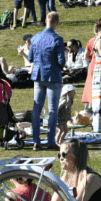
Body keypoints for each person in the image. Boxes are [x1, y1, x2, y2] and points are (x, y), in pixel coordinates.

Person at [29, 11, 66, 151]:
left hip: (38, 75)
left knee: (36, 109)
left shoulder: (35, 37)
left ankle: (36, 141)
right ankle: (50, 140)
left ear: (46, 21)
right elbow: (61, 61)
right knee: (52, 110)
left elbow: (31, 58)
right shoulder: (58, 39)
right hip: (53, 76)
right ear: (56, 23)